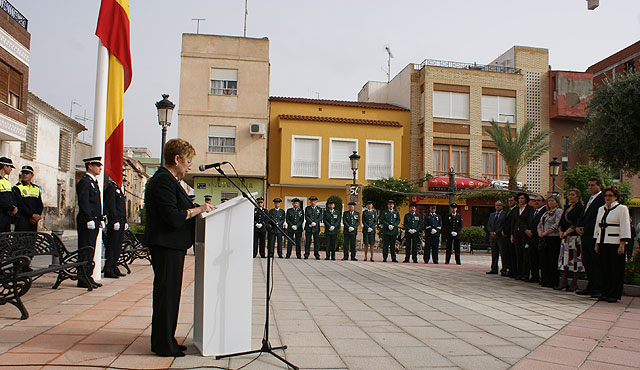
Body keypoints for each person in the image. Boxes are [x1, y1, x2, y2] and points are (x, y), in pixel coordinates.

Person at [144, 138, 215, 357]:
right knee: (167, 295)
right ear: (176, 159)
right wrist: (199, 209)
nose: (190, 166)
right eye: (188, 161)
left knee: (170, 295)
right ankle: (164, 345)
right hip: (166, 246)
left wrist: (200, 209)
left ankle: (166, 339)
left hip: (171, 246)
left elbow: (180, 208)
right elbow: (173, 217)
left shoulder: (169, 180)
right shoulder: (164, 180)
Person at [594, 186, 631, 303]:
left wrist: (622, 243)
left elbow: (625, 225)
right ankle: (605, 292)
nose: (608, 198)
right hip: (603, 241)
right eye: (606, 195)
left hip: (615, 243)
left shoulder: (622, 208)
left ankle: (614, 294)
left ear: (616, 197)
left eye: (610, 195)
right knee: (604, 269)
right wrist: (597, 242)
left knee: (616, 269)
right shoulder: (601, 209)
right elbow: (597, 226)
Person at [76, 156, 105, 289]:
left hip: (94, 220)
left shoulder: (93, 182)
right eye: (97, 165)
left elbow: (96, 204)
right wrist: (88, 218)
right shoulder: (85, 182)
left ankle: (88, 275)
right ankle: (82, 277)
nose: (100, 167)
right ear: (90, 166)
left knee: (91, 249)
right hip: (87, 221)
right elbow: (84, 202)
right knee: (85, 249)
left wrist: (100, 218)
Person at [575, 177, 605, 298]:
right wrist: (578, 226)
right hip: (584, 235)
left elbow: (597, 218)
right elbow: (583, 215)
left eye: (592, 185)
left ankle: (597, 287)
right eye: (589, 185)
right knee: (587, 261)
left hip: (593, 234)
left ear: (599, 186)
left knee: (595, 262)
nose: (590, 187)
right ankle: (590, 285)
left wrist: (585, 228)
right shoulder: (589, 199)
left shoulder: (601, 198)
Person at [556, 188, 584, 292]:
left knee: (575, 260)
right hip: (565, 237)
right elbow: (562, 221)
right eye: (569, 194)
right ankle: (563, 281)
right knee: (565, 260)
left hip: (575, 237)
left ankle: (574, 282)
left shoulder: (580, 208)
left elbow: (577, 222)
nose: (571, 196)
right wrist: (561, 232)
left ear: (577, 196)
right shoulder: (567, 207)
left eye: (573, 195)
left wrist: (567, 232)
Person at [103, 176, 127, 278]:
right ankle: (108, 268)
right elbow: (111, 205)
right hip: (115, 221)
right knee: (112, 246)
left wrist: (124, 221)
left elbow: (122, 207)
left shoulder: (118, 188)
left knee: (118, 246)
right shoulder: (111, 188)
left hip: (121, 221)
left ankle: (114, 266)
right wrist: (114, 220)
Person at [537, 195, 563, 288]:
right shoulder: (546, 213)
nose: (550, 203)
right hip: (544, 238)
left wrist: (546, 232)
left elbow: (557, 224)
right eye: (549, 201)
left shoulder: (558, 211)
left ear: (556, 202)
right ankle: (545, 279)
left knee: (552, 259)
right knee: (544, 260)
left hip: (553, 238)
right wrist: (540, 232)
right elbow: (540, 224)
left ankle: (553, 281)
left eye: (552, 201)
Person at [510, 193, 533, 280]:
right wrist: (512, 234)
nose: (520, 200)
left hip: (524, 233)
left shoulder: (529, 209)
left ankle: (525, 273)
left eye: (522, 198)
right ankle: (518, 273)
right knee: (518, 253)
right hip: (517, 233)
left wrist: (527, 229)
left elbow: (530, 220)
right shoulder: (516, 209)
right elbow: (513, 222)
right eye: (519, 198)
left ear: (526, 199)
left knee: (525, 253)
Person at [12, 166, 43, 231]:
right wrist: (32, 215)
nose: (24, 175)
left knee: (32, 239)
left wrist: (37, 216)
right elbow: (20, 204)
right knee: (21, 239)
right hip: (22, 219)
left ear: (32, 175)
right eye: (23, 173)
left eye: (27, 173)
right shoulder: (17, 187)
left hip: (33, 221)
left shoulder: (36, 188)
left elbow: (40, 204)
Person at [526, 195, 547, 283]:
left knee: (540, 259)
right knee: (532, 258)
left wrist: (534, 232)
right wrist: (526, 230)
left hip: (539, 237)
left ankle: (542, 277)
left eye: (539, 200)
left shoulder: (545, 212)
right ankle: (534, 276)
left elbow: (541, 224)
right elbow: (527, 222)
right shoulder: (532, 212)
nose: (537, 202)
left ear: (543, 202)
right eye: (535, 200)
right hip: (531, 238)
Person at [486, 200, 506, 274]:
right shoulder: (492, 214)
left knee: (503, 253)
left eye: (499, 205)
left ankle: (504, 269)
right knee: (494, 253)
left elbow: (503, 225)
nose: (497, 207)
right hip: (493, 237)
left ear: (502, 206)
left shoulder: (504, 214)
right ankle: (494, 268)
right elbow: (489, 224)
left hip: (500, 236)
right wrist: (491, 232)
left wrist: (496, 232)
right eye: (496, 205)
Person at [0, 157, 18, 232]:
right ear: (5, 167)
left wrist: (14, 208)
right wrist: (10, 208)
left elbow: (11, 197)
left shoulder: (6, 182)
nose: (11, 169)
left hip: (7, 216)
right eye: (10, 167)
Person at [502, 195, 517, 277]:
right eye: (509, 200)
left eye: (511, 200)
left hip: (511, 234)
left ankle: (513, 271)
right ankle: (508, 269)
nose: (510, 202)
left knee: (512, 254)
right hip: (505, 235)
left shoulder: (515, 210)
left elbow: (512, 223)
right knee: (507, 253)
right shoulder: (508, 210)